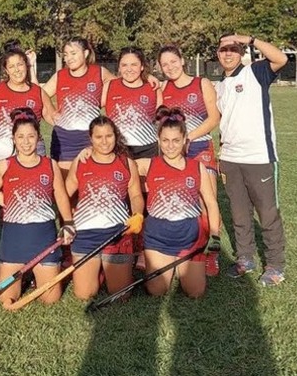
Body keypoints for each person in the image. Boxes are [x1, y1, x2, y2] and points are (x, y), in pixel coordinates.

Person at [0, 108, 75, 307]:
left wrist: (68, 223)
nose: (26, 141)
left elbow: (61, 196)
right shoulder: (4, 165)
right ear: (13, 138)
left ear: (39, 137)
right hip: (14, 242)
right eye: (20, 136)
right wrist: (3, 201)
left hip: (44, 240)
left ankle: (39, 273)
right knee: (6, 298)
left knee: (50, 299)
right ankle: (26, 275)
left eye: (31, 136)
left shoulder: (50, 165)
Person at [215, 34, 288, 286]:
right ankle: (245, 258)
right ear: (217, 53)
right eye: (224, 49)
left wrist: (250, 39)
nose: (228, 53)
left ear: (241, 52)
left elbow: (281, 58)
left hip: (259, 158)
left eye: (233, 49)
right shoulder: (219, 86)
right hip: (230, 159)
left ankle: (275, 265)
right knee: (239, 213)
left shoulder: (255, 72)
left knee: (267, 214)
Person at [143, 107, 221, 298]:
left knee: (196, 292)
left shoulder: (197, 167)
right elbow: (116, 163)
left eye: (176, 140)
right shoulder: (147, 164)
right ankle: (169, 263)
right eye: (165, 141)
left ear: (185, 140)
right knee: (156, 291)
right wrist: (88, 151)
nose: (170, 146)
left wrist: (215, 235)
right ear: (159, 141)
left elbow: (211, 203)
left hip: (190, 240)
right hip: (158, 239)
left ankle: (182, 264)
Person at [64, 116, 144, 299]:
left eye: (109, 136)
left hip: (117, 234)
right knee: (84, 294)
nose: (104, 142)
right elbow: (65, 194)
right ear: (90, 138)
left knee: (120, 296)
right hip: (86, 234)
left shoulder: (126, 163)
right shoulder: (82, 161)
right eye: (98, 137)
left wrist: (138, 214)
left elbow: (136, 195)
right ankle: (97, 270)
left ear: (115, 136)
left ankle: (106, 268)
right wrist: (68, 219)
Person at [158, 44, 221, 275]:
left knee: (207, 201)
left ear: (182, 60)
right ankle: (189, 247)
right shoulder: (163, 88)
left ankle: (212, 252)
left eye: (173, 61)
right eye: (165, 64)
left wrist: (188, 137)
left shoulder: (201, 83)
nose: (170, 67)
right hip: (176, 154)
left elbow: (214, 117)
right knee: (183, 202)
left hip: (200, 148)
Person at [39, 38, 113, 178]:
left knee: (91, 180)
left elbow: (120, 84)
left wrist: (100, 101)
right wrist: (51, 114)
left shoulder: (99, 72)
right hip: (64, 139)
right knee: (65, 185)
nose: (68, 58)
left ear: (85, 53)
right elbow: (39, 95)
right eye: (66, 55)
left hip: (90, 137)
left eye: (73, 53)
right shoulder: (60, 76)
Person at [0, 48, 55, 171]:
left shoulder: (38, 92)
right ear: (6, 70)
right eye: (11, 66)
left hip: (32, 155)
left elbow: (53, 117)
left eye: (20, 64)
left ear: (26, 66)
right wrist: (3, 133)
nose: (16, 70)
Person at [102, 47, 162, 179]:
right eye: (124, 65)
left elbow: (162, 119)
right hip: (119, 148)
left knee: (146, 192)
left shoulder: (153, 87)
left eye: (134, 64)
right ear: (119, 67)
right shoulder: (110, 86)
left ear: (142, 66)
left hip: (147, 148)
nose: (129, 69)